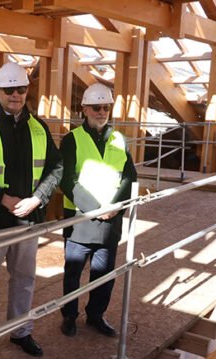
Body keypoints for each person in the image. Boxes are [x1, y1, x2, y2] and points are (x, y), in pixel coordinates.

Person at [0, 61, 62, 359]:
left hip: (28, 219)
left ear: (27, 90)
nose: (15, 95)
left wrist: (38, 199)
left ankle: (21, 331)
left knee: (24, 277)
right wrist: (1, 198)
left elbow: (56, 168)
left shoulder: (39, 128)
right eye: (9, 90)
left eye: (20, 89)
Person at [59, 83, 137, 337]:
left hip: (109, 221)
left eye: (106, 107)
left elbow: (129, 177)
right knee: (73, 273)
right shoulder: (72, 140)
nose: (102, 112)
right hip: (81, 220)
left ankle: (96, 315)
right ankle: (69, 316)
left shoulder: (119, 139)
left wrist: (115, 207)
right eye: (96, 107)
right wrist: (95, 209)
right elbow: (66, 180)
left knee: (104, 275)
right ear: (84, 109)